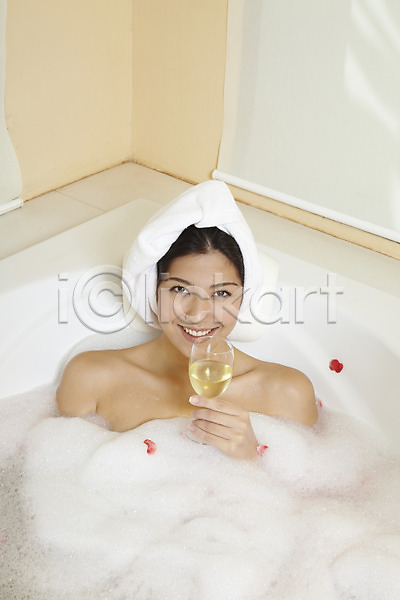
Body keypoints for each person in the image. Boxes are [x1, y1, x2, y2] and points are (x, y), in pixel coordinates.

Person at [57, 182, 317, 461]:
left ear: (243, 298)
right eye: (180, 289)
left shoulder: (287, 394)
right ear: (154, 291)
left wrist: (251, 457)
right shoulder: (91, 379)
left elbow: (305, 486)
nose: (197, 313)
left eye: (221, 293)